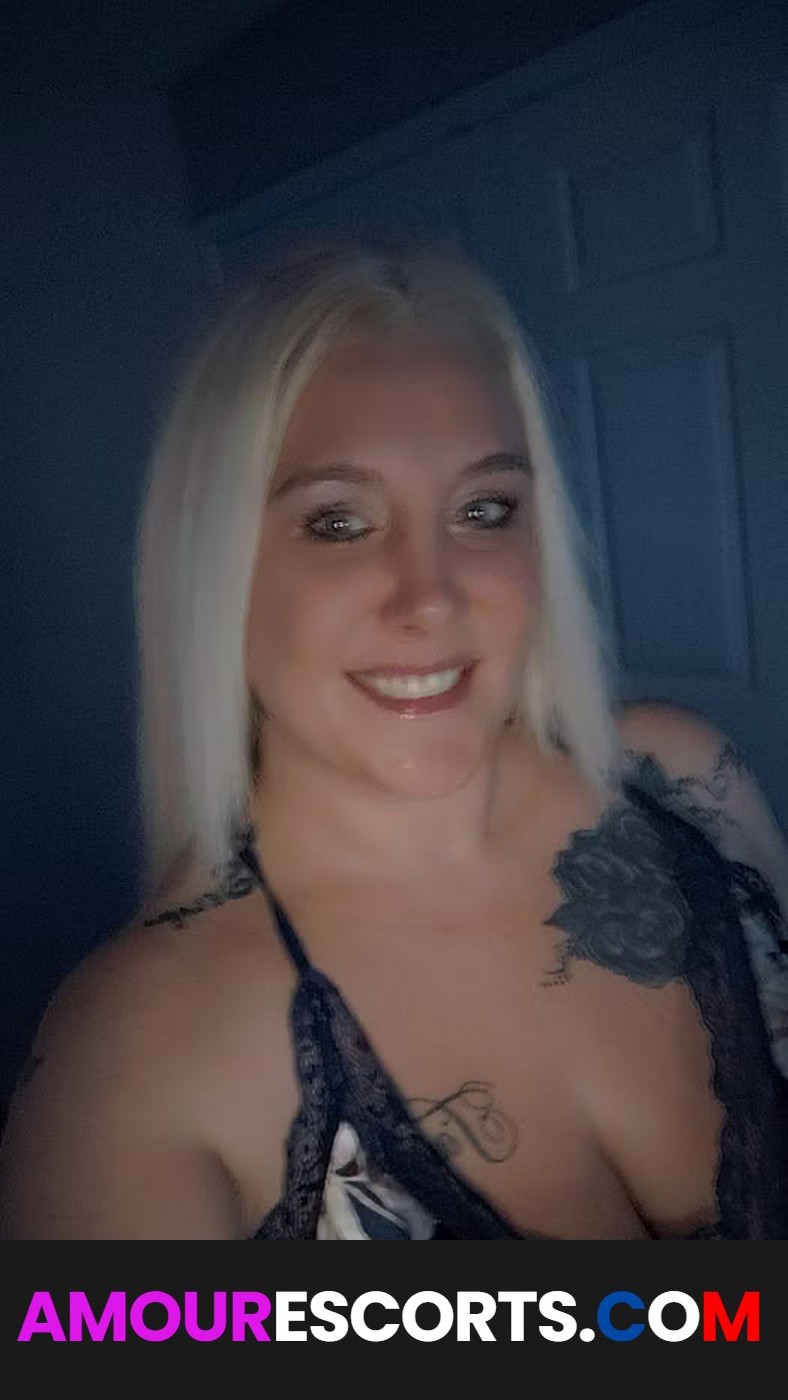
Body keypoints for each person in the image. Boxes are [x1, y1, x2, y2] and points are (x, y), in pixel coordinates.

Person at [2, 241, 787, 1240]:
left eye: (483, 510)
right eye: (338, 522)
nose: (432, 598)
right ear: (217, 568)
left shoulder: (681, 780)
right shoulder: (130, 1068)